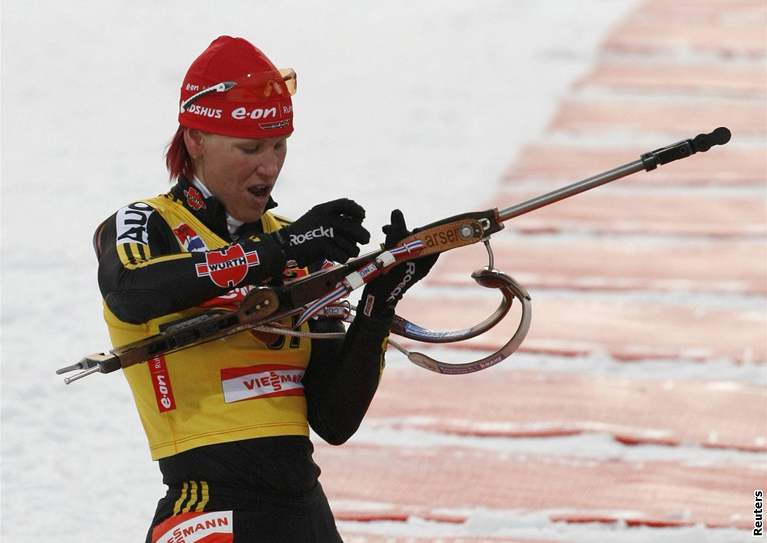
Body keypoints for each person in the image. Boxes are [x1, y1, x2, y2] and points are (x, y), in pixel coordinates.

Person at [94, 36, 436, 542]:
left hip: (303, 513)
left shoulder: (293, 244)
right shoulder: (147, 223)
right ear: (195, 141)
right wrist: (278, 252)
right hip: (208, 502)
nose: (269, 166)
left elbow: (334, 418)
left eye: (279, 145)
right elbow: (131, 291)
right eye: (250, 148)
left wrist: (378, 303)